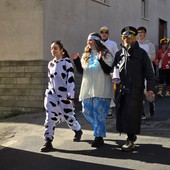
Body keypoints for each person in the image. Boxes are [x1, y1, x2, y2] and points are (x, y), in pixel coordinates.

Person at [112, 26, 155, 151]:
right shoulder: (119, 54)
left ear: (134, 38)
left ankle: (130, 140)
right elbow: (114, 70)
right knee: (123, 114)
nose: (127, 39)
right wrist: (113, 76)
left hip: (135, 90)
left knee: (132, 115)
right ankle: (130, 136)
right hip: (121, 89)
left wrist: (151, 88)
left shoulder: (141, 53)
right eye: (124, 37)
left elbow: (149, 72)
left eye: (129, 37)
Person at [71, 32, 114, 148]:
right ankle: (99, 128)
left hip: (102, 89)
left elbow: (108, 70)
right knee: (87, 111)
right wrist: (76, 60)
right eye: (87, 40)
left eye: (90, 40)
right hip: (88, 89)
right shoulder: (86, 55)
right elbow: (81, 71)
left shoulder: (106, 54)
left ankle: (98, 137)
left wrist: (100, 60)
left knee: (99, 114)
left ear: (96, 41)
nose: (88, 42)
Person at [40, 41, 83, 152]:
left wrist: (70, 97)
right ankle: (48, 141)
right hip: (51, 95)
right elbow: (50, 81)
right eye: (51, 48)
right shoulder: (50, 64)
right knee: (50, 116)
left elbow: (70, 80)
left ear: (61, 50)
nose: (53, 50)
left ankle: (78, 130)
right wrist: (48, 94)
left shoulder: (67, 62)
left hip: (64, 96)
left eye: (55, 48)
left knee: (69, 117)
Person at [99, 26, 119, 117]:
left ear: (108, 34)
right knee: (101, 88)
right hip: (99, 69)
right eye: (102, 32)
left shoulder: (113, 43)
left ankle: (110, 108)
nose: (104, 34)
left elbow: (117, 56)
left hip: (109, 68)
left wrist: (114, 67)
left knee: (110, 88)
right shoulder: (97, 43)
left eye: (105, 32)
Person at [137, 26, 156, 119]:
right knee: (139, 92)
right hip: (138, 71)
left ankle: (151, 103)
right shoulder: (135, 44)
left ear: (145, 33)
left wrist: (142, 57)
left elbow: (152, 57)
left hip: (148, 71)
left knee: (149, 93)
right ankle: (141, 112)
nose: (140, 34)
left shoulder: (150, 44)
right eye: (139, 32)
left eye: (142, 32)